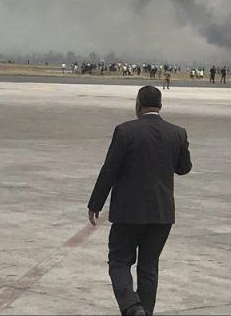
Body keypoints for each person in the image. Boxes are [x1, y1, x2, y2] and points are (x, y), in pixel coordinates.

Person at [88, 86, 192, 316]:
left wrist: (95, 203)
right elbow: (184, 168)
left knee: (119, 260)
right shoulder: (178, 132)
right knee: (148, 266)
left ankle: (132, 307)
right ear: (160, 105)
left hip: (128, 212)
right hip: (161, 213)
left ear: (138, 104)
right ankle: (144, 311)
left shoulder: (125, 131)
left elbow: (110, 170)